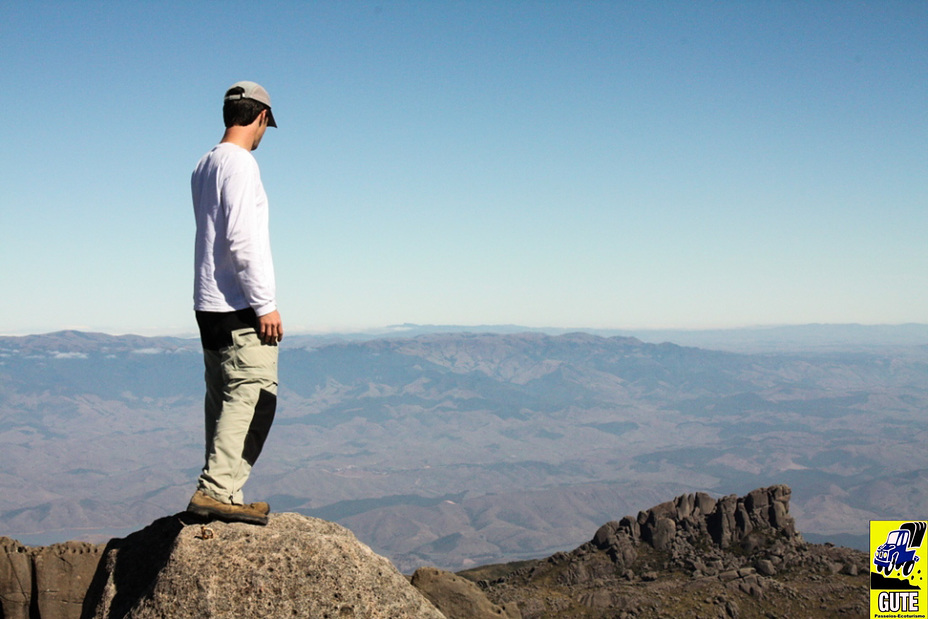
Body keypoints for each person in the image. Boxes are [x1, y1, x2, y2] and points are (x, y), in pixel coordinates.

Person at [186, 81, 283, 526]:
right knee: (255, 394)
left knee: (225, 399)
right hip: (239, 303)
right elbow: (243, 239)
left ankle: (226, 491)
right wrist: (265, 304)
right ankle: (216, 489)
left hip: (207, 302)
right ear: (260, 117)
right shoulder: (241, 165)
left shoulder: (205, 164)